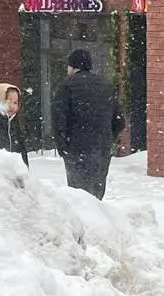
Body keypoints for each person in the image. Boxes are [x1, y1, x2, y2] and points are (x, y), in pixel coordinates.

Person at [52, 49, 125, 199]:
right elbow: (119, 121)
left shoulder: (66, 86)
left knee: (79, 197)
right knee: (96, 196)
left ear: (73, 66)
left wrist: (63, 147)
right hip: (101, 149)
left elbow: (59, 120)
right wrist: (107, 138)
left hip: (76, 149)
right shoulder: (107, 86)